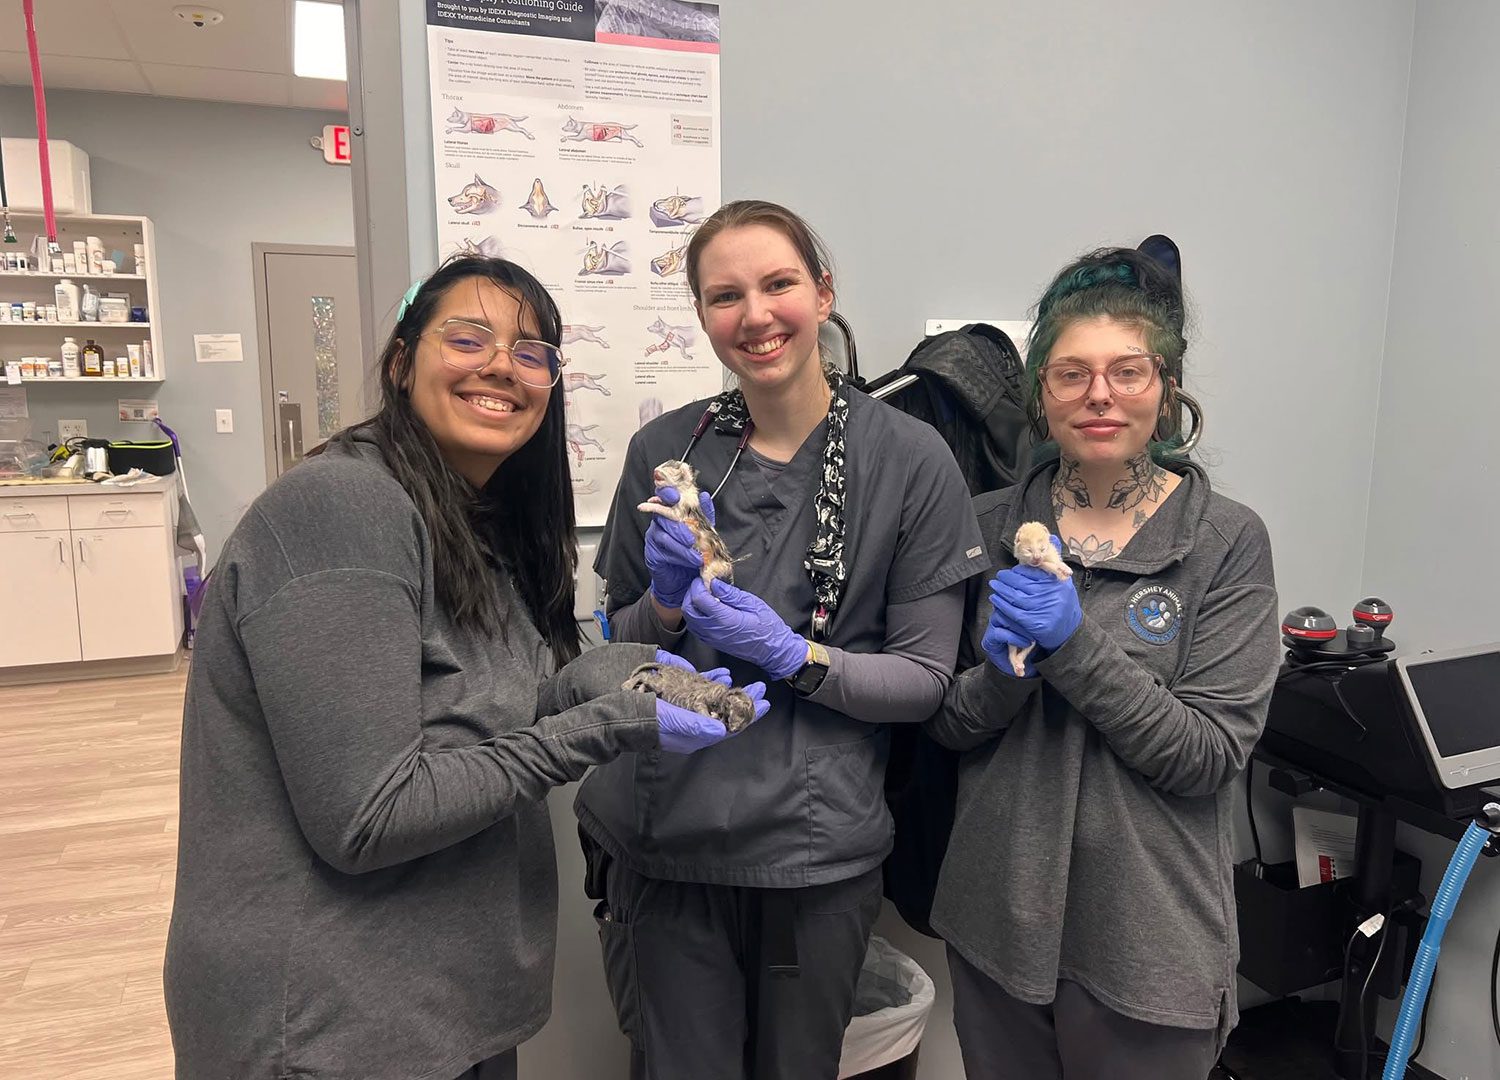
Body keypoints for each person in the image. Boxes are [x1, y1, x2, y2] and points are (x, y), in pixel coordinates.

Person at [163, 255, 766, 1080]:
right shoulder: (341, 509)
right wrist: (606, 724)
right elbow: (369, 817)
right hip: (332, 1021)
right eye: (468, 337)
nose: (500, 368)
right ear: (403, 360)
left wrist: (620, 668)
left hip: (441, 1001)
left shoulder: (471, 521)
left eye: (530, 353)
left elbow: (484, 709)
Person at [575, 200, 989, 1080]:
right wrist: (672, 610)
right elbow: (616, 651)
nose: (755, 315)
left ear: (822, 291)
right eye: (725, 295)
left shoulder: (909, 461)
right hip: (669, 839)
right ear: (700, 316)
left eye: (778, 284)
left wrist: (793, 655)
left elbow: (922, 681)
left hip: (814, 854)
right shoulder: (665, 447)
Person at [926, 248, 1280, 1080]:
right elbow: (943, 723)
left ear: (1165, 388)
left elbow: (1207, 756)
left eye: (1128, 371)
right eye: (1071, 374)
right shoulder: (983, 523)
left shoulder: (1225, 541)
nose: (1099, 395)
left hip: (1146, 943)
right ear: (1040, 395)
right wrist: (1004, 679)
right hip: (997, 920)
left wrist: (1071, 644)